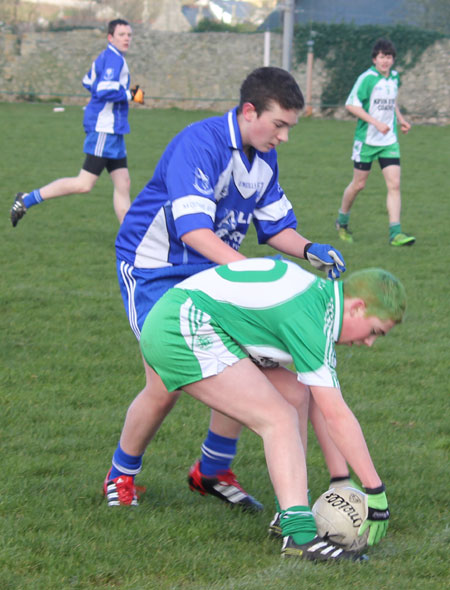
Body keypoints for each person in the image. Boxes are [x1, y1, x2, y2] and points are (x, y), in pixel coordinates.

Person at [103, 66, 347, 510]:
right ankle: (121, 473)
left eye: (289, 127)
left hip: (213, 271)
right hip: (155, 269)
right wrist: (252, 277)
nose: (284, 137)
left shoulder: (263, 152)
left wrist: (310, 248)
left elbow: (276, 228)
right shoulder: (200, 143)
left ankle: (212, 471)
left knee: (253, 357)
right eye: (279, 125)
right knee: (165, 383)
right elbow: (194, 232)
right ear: (249, 111)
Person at [138, 258, 405, 561]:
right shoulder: (311, 318)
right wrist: (375, 490)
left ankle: (289, 513)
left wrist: (340, 478)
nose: (369, 342)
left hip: (189, 318)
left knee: (295, 394)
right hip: (177, 327)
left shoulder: (321, 303)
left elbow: (322, 403)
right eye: (375, 331)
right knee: (278, 418)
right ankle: (299, 536)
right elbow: (337, 415)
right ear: (356, 307)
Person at [10, 18, 144, 227]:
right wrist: (130, 94)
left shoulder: (108, 57)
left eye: (129, 35)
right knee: (84, 184)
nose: (127, 38)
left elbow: (88, 81)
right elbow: (103, 90)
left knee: (123, 183)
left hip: (113, 130)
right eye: (122, 35)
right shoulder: (114, 59)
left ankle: (129, 240)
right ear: (110, 37)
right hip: (104, 130)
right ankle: (26, 200)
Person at [335, 38, 415, 247]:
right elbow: (351, 105)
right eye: (382, 57)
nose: (385, 61)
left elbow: (392, 101)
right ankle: (342, 222)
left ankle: (395, 233)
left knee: (394, 184)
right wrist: (376, 122)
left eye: (389, 57)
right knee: (359, 184)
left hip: (389, 141)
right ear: (374, 59)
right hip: (367, 141)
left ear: (393, 59)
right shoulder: (367, 78)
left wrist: (402, 120)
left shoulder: (395, 78)